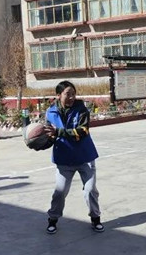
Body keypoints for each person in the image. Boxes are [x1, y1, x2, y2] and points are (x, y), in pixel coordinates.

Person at [44, 81, 103, 234]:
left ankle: (95, 218)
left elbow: (82, 131)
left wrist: (59, 132)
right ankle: (53, 219)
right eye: (67, 94)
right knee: (60, 192)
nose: (71, 97)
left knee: (90, 190)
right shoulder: (50, 112)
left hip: (85, 157)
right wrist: (40, 142)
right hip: (64, 159)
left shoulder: (81, 109)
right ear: (58, 95)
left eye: (73, 94)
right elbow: (48, 135)